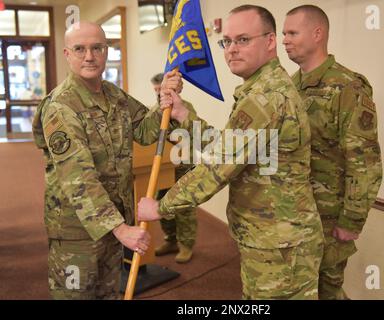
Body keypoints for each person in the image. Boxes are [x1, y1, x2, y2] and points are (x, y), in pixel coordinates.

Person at [138, 5, 324, 300]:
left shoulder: (264, 97)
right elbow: (225, 147)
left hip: (279, 244)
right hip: (272, 236)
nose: (231, 50)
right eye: (227, 42)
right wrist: (184, 114)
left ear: (270, 41)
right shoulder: (260, 88)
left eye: (243, 40)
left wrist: (160, 208)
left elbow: (216, 167)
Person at [32, 21, 180, 299]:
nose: (89, 56)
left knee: (108, 293)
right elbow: (79, 179)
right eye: (80, 49)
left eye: (97, 48)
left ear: (106, 51)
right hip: (77, 231)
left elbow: (146, 131)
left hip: (112, 223)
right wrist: (121, 229)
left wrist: (164, 99)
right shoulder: (61, 106)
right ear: (67, 54)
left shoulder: (114, 95)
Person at [282, 5, 383, 299]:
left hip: (328, 216)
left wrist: (351, 221)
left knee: (326, 289)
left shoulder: (347, 87)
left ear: (317, 34)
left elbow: (364, 163)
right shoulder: (289, 86)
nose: (285, 39)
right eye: (283, 33)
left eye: (292, 32)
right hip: (293, 211)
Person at [150, 73, 197, 263]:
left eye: (160, 89)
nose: (158, 93)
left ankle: (186, 245)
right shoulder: (156, 110)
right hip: (163, 167)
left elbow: (188, 135)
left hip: (183, 164)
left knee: (184, 207)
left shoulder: (185, 108)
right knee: (162, 203)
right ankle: (170, 239)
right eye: (155, 90)